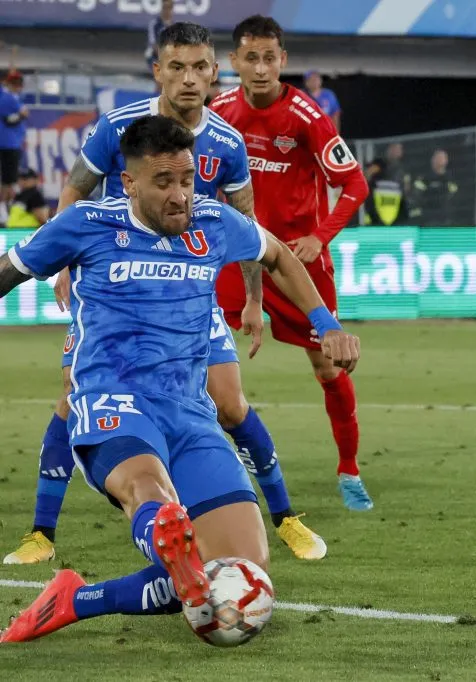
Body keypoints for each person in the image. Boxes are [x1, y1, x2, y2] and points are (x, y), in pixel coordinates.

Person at [0, 115, 360, 643]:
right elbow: (9, 271)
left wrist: (326, 324)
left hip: (190, 415)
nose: (180, 195)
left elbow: (279, 256)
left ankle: (76, 599)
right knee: (148, 490)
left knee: (240, 580)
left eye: (187, 179)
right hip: (114, 403)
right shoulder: (87, 224)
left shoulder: (214, 221)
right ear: (129, 183)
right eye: (164, 182)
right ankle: (168, 539)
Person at [2, 22, 327, 566]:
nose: (189, 79)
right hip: (115, 286)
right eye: (177, 67)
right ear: (159, 71)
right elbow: (75, 190)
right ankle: (42, 531)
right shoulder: (117, 128)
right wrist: (64, 262)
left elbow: (251, 229)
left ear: (214, 72)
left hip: (190, 290)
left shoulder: (227, 143)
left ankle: (284, 517)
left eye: (199, 67)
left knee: (229, 403)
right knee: (73, 394)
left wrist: (253, 299)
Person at [210, 15, 372, 510]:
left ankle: (349, 469)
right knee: (198, 356)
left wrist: (320, 238)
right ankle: (207, 464)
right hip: (237, 259)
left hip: (297, 262)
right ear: (234, 62)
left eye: (269, 58)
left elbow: (355, 184)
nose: (260, 69)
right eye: (250, 58)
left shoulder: (306, 116)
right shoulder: (218, 112)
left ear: (283, 60)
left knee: (329, 367)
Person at [0, 65, 28, 223]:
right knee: (7, 180)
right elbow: (9, 120)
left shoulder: (12, 97)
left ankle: (5, 208)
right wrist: (21, 114)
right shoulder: (7, 98)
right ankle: (3, 209)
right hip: (7, 145)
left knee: (9, 180)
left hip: (11, 143)